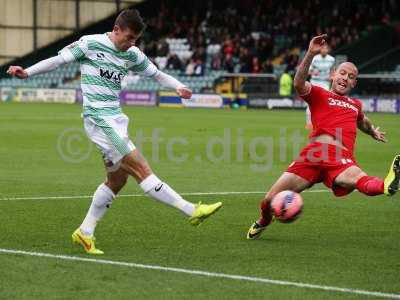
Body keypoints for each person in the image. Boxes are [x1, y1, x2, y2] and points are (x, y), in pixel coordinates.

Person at [7, 9, 222, 254]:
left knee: (116, 180)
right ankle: (191, 210)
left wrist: (179, 86)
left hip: (116, 119)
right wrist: (27, 72)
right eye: (129, 37)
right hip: (99, 120)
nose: (132, 43)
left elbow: (157, 74)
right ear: (116, 29)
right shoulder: (90, 44)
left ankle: (84, 232)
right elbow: (58, 60)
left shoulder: (131, 53)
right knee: (142, 168)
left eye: (135, 40)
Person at [247, 34, 399, 240]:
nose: (345, 78)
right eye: (342, 73)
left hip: (339, 156)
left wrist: (372, 131)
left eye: (351, 76)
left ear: (354, 83)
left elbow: (362, 121)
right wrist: (310, 53)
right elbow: (299, 83)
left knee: (358, 180)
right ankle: (264, 220)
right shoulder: (319, 94)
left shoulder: (355, 105)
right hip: (314, 154)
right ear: (333, 75)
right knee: (268, 201)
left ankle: (386, 185)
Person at [305, 43, 335, 130]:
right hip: (315, 82)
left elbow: (333, 71)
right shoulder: (315, 58)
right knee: (311, 103)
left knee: (325, 103)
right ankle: (309, 123)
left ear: (328, 50)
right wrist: (313, 73)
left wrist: (332, 76)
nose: (324, 50)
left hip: (325, 83)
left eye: (326, 49)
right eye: (322, 49)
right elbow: (308, 71)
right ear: (320, 49)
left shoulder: (331, 59)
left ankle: (324, 123)